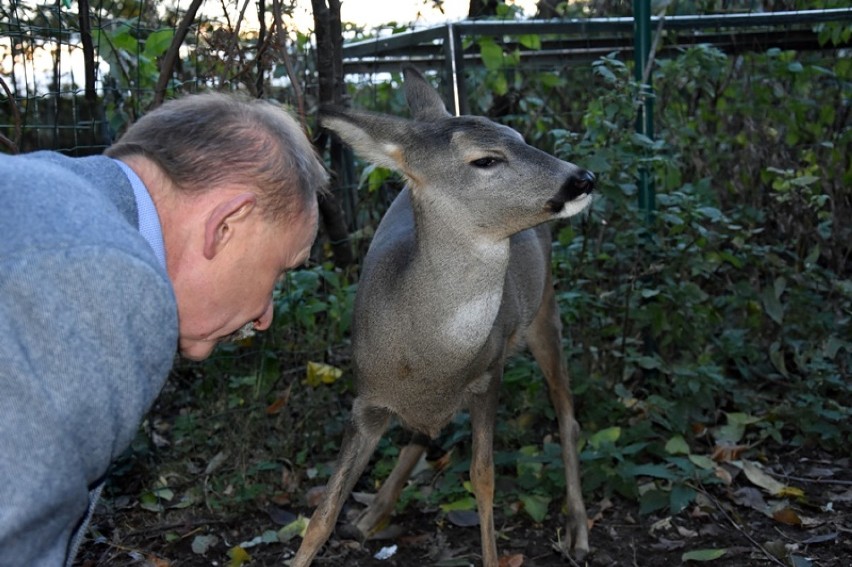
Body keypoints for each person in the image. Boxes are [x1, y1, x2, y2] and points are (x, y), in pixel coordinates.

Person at [0, 92, 328, 565]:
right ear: (227, 224)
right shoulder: (110, 274)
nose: (264, 316)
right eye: (280, 270)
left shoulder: (50, 198)